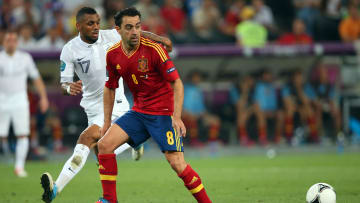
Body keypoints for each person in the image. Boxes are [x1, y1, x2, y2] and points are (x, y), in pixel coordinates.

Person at [40, 7, 172, 203]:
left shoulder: (112, 35)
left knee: (86, 138)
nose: (96, 27)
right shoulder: (69, 49)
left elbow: (135, 33)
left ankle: (55, 190)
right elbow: (63, 84)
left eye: (97, 22)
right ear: (78, 26)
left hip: (115, 103)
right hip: (92, 108)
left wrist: (159, 39)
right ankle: (132, 142)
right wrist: (69, 89)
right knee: (99, 150)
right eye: (90, 23)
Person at [96, 7, 212, 203]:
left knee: (176, 163)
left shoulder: (154, 49)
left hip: (163, 114)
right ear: (118, 30)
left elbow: (177, 82)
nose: (135, 31)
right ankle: (109, 200)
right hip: (139, 112)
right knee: (104, 145)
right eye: (129, 27)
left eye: (138, 27)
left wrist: (176, 116)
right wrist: (106, 122)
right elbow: (110, 87)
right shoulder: (113, 54)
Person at [0, 30, 49, 177]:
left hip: (20, 100)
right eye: (8, 40)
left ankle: (19, 167)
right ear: (3, 42)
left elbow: (36, 78)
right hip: (1, 100)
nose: (11, 42)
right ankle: (6, 152)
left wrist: (44, 97)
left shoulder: (25, 58)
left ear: (17, 42)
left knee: (23, 134)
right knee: (2, 134)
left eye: (14, 40)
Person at [282, 69, 318, 144]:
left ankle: (314, 136)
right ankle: (289, 136)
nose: (299, 79)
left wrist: (299, 89)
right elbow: (287, 103)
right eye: (297, 78)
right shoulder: (288, 87)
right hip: (292, 108)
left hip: (303, 108)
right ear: (293, 78)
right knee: (290, 110)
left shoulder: (306, 87)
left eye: (300, 77)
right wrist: (298, 108)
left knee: (309, 110)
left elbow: (307, 102)